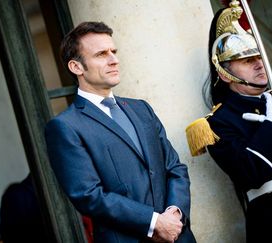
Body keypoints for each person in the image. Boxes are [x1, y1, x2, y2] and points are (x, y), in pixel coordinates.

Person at [186, 2, 272, 243]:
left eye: (259, 56)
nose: (259, 64)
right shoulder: (218, 124)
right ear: (224, 73)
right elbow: (251, 172)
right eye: (246, 60)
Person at [44, 21, 196, 243]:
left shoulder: (141, 109)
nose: (114, 59)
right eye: (101, 54)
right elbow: (88, 195)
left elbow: (174, 167)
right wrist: (154, 223)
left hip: (179, 236)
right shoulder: (65, 126)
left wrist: (174, 214)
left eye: (113, 51)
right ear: (76, 67)